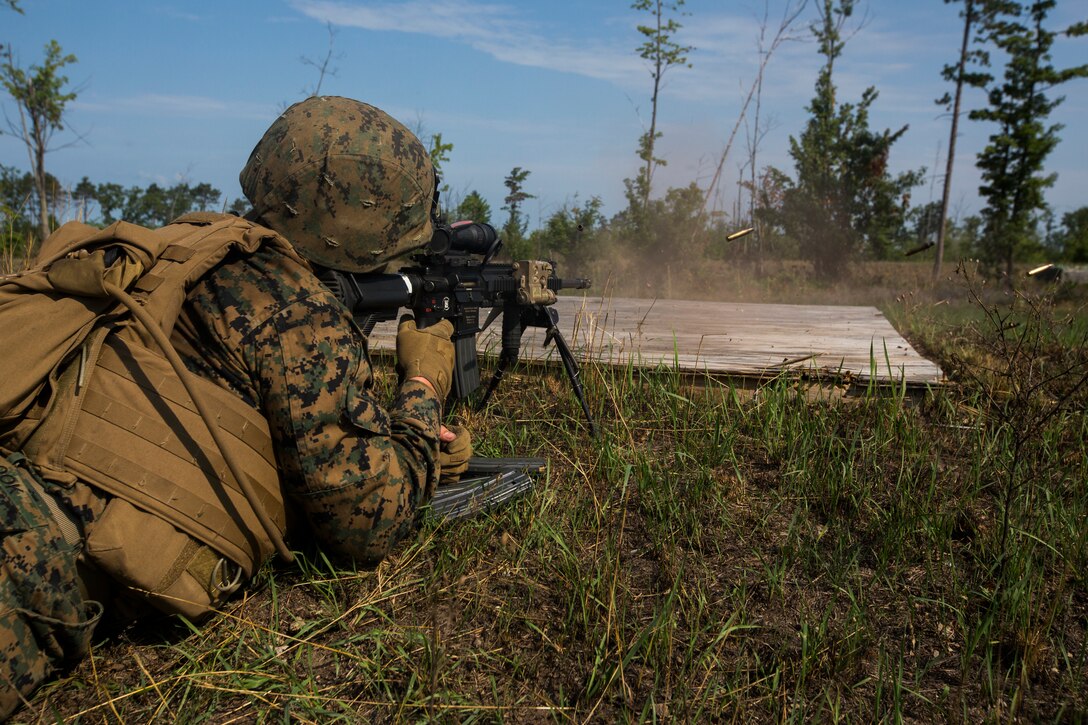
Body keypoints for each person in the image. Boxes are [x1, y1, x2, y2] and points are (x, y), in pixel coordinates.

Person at [0, 95, 470, 718]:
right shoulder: (297, 311)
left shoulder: (199, 245)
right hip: (32, 550)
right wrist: (423, 387)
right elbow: (370, 521)